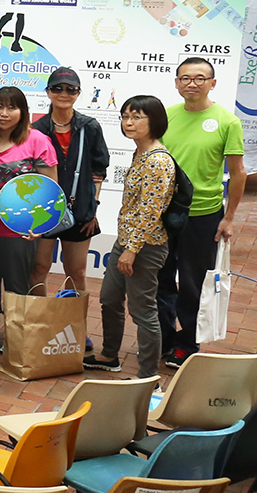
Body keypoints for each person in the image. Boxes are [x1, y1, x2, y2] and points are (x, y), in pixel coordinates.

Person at [157, 57, 244, 367]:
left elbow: (238, 173)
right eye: (185, 78)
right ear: (177, 82)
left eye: (199, 78)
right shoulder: (166, 116)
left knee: (193, 284)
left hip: (203, 215)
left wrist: (229, 218)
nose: (191, 83)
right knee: (160, 279)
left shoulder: (227, 122)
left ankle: (186, 342)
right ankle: (162, 338)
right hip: (164, 214)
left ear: (212, 83)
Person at [89, 96, 174, 378]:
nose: (129, 122)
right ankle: (109, 355)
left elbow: (151, 212)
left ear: (155, 121)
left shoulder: (158, 160)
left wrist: (132, 250)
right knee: (109, 298)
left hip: (145, 247)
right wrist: (126, 245)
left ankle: (149, 377)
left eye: (137, 117)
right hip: (126, 241)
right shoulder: (140, 153)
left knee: (143, 311)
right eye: (125, 116)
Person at [0, 86, 55, 350]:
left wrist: (42, 226)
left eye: (11, 107)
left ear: (23, 111)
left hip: (21, 228)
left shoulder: (37, 140)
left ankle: (17, 333)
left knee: (18, 282)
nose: (4, 113)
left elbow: (50, 189)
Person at [32, 67, 110, 304]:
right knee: (38, 268)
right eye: (57, 88)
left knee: (76, 271)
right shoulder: (37, 129)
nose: (63, 94)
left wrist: (93, 207)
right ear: (48, 92)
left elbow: (99, 171)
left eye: (70, 89)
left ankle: (74, 322)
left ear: (78, 93)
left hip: (80, 212)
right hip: (44, 211)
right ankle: (39, 319)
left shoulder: (90, 127)